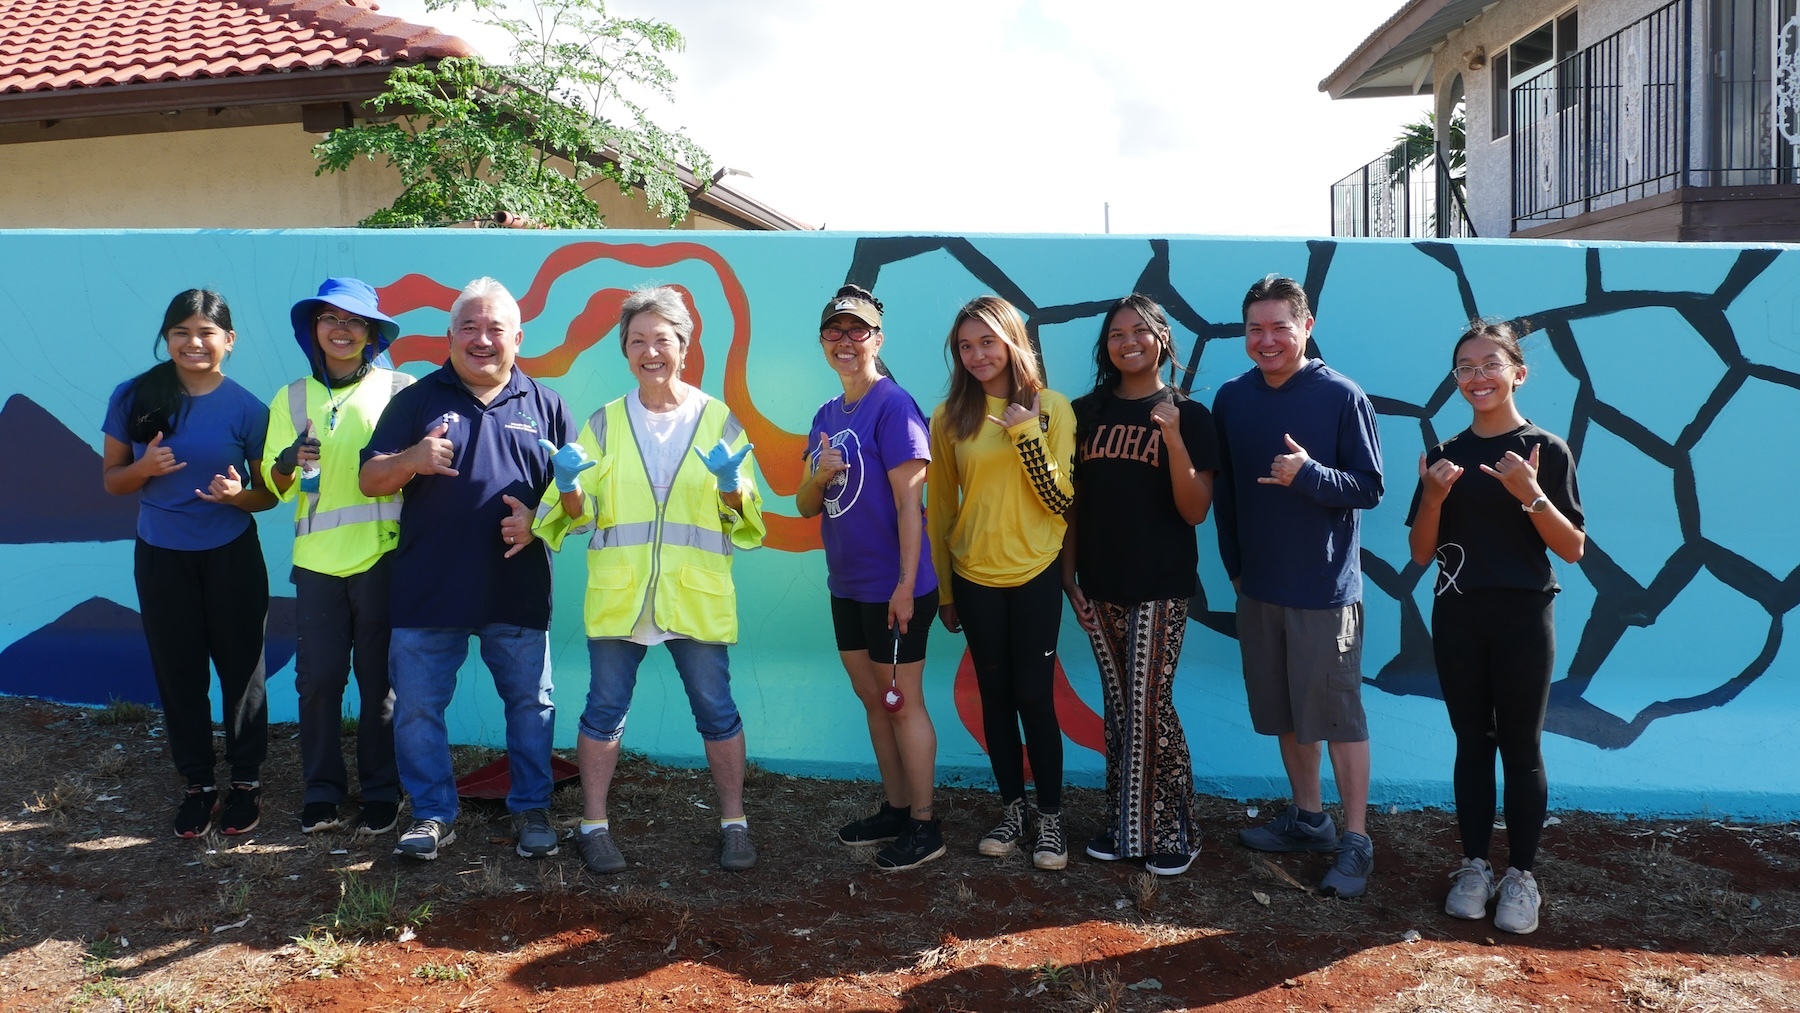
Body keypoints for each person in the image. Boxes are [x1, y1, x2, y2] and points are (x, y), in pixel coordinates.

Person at [536, 286, 765, 874]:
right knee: (603, 710)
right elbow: (576, 516)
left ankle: (735, 824)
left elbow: (748, 520)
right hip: (623, 597)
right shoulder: (604, 422)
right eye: (637, 340)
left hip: (694, 596)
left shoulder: (718, 420)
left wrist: (732, 486)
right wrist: (566, 484)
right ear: (625, 351)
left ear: (684, 347)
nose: (649, 350)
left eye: (662, 338)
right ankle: (592, 825)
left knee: (717, 710)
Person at [359, 277, 573, 862]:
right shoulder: (417, 400)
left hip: (518, 590)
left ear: (518, 338)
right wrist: (413, 459)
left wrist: (540, 520)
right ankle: (433, 814)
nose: (482, 339)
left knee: (532, 706)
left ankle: (532, 810)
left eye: (495, 328)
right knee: (419, 708)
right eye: (469, 327)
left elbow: (581, 503)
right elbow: (370, 479)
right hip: (430, 591)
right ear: (450, 336)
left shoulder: (548, 406)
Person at [1406, 319, 1584, 935]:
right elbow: (1422, 552)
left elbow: (1573, 549)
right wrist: (1431, 497)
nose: (1477, 377)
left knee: (1522, 744)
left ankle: (1522, 876)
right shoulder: (1443, 454)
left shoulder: (1544, 450)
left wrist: (1531, 493)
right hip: (1458, 615)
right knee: (1471, 742)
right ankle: (1475, 866)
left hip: (1524, 617)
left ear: (1518, 372)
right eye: (1465, 367)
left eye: (1489, 364)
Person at [1213, 275, 1383, 897]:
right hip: (1259, 589)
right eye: (1255, 329)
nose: (1267, 340)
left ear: (1306, 326)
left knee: (1338, 717)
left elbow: (1369, 487)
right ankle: (1309, 819)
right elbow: (1227, 494)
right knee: (1286, 711)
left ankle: (1357, 840)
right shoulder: (1233, 399)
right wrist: (1236, 566)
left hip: (1323, 592)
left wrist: (1309, 474)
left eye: (1279, 326)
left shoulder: (1341, 396)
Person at [101, 289, 276, 838]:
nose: (193, 343)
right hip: (162, 555)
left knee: (242, 670)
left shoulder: (249, 408)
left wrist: (237, 496)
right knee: (180, 672)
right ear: (167, 337)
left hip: (231, 555)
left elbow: (268, 494)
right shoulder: (135, 396)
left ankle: (246, 782)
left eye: (206, 333)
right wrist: (146, 466)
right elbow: (112, 481)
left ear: (229, 341)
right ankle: (196, 785)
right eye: (181, 332)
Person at [1062, 294, 1219, 876]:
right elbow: (1071, 504)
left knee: (1149, 705)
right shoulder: (1085, 413)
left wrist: (1174, 437)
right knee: (1119, 707)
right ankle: (1127, 824)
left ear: (1162, 338)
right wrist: (1067, 577)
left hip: (1160, 584)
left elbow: (1195, 508)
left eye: (1140, 330)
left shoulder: (1190, 415)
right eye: (1116, 333)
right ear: (1106, 346)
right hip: (1098, 583)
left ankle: (1176, 827)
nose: (1127, 341)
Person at [796, 285, 943, 871]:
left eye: (858, 331)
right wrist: (819, 472)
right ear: (823, 344)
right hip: (847, 585)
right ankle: (897, 807)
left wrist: (906, 586)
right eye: (835, 332)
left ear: (877, 339)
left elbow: (912, 507)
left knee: (901, 701)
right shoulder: (826, 417)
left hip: (893, 587)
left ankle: (925, 825)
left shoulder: (894, 405)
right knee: (872, 699)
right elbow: (808, 503)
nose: (846, 341)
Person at [927, 295, 1075, 871]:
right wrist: (943, 590)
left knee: (1035, 697)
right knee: (994, 697)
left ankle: (1051, 819)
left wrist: (1026, 434)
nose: (976, 355)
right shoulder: (949, 419)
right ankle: (1012, 810)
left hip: (1035, 572)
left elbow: (1060, 500)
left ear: (1013, 342)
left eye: (986, 341)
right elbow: (939, 508)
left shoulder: (1052, 407)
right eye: (965, 346)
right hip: (973, 577)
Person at [263, 278, 412, 837]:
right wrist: (283, 459)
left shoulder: (403, 388)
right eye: (330, 318)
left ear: (372, 332)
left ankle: (380, 790)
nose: (342, 329)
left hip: (382, 558)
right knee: (319, 681)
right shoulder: (292, 397)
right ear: (314, 330)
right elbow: (275, 486)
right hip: (318, 564)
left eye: (354, 320)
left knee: (381, 683)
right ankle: (321, 791)